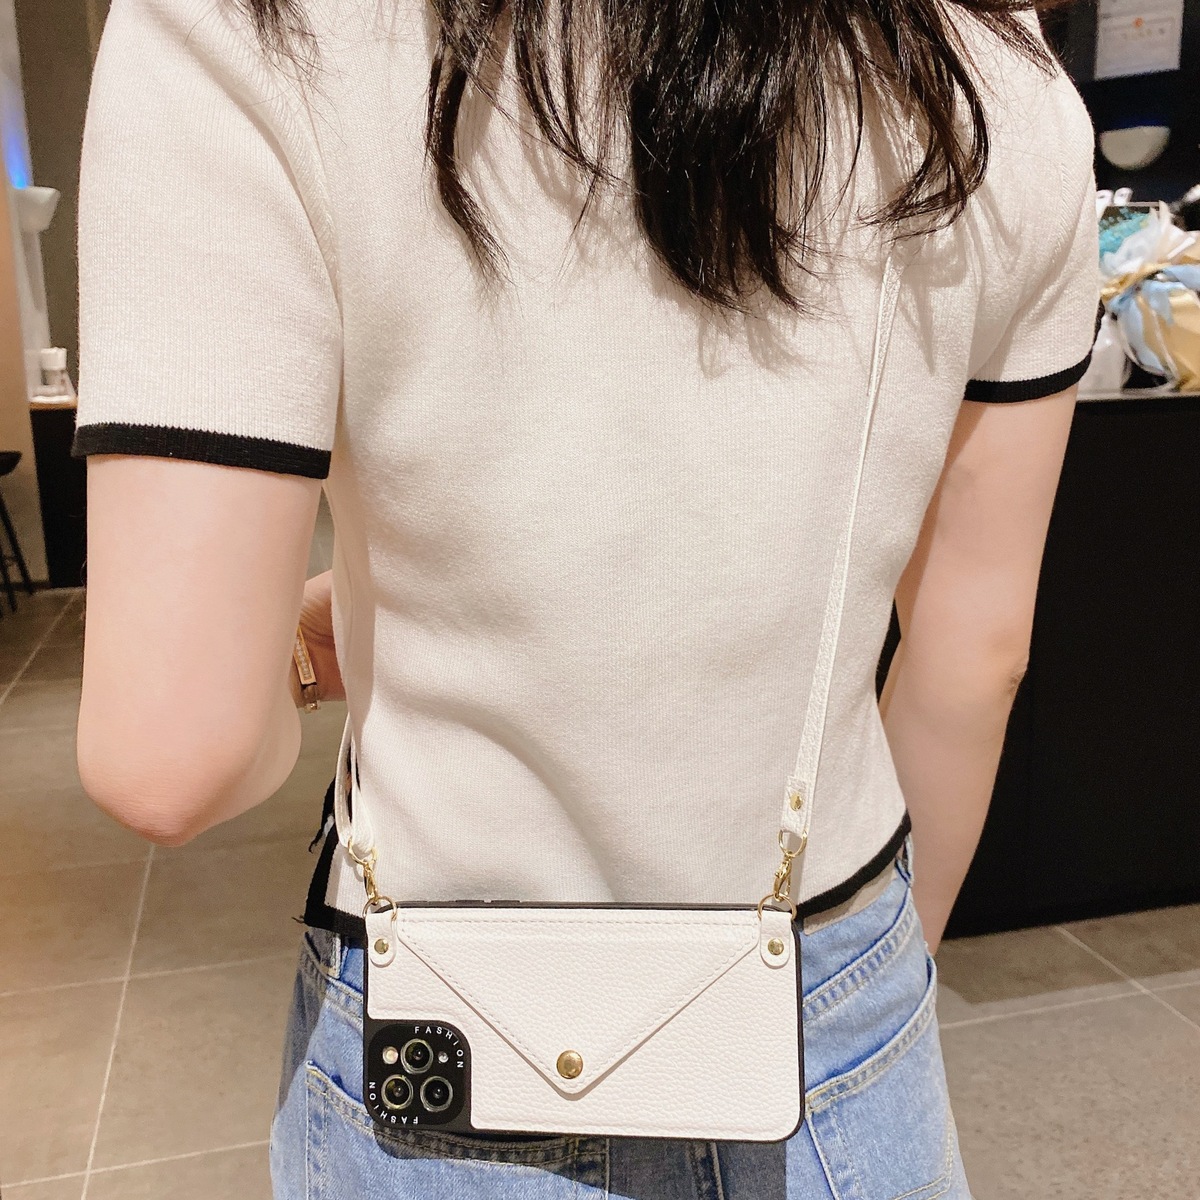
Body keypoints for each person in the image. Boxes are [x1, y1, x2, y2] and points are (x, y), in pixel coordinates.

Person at [71, 0, 1099, 1195]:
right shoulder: (994, 80)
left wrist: (298, 657)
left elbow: (167, 762)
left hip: (445, 1037)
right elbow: (975, 660)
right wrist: (850, 996)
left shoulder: (252, 27)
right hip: (832, 989)